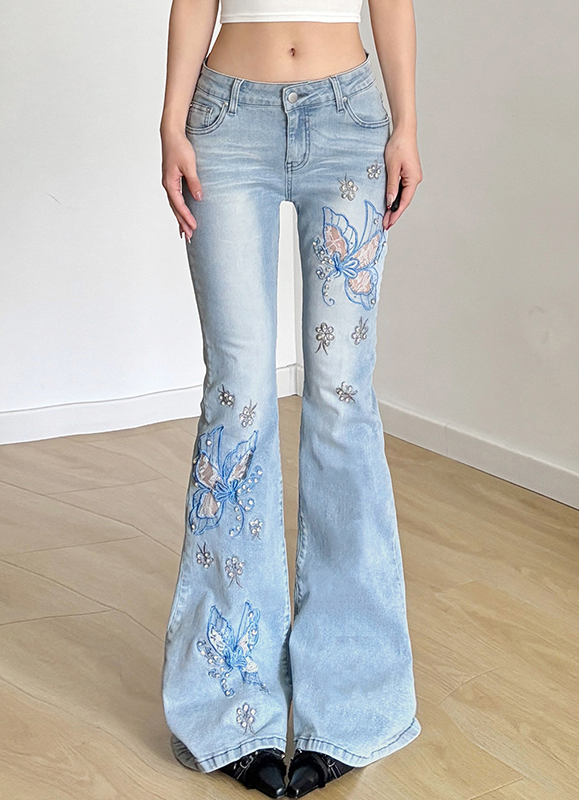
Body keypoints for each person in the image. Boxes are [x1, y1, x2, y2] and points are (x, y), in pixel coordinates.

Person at [159, 0, 423, 796]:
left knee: (341, 402)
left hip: (350, 119)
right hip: (226, 118)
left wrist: (407, 124)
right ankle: (228, 710)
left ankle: (351, 706)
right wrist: (171, 122)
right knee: (236, 398)